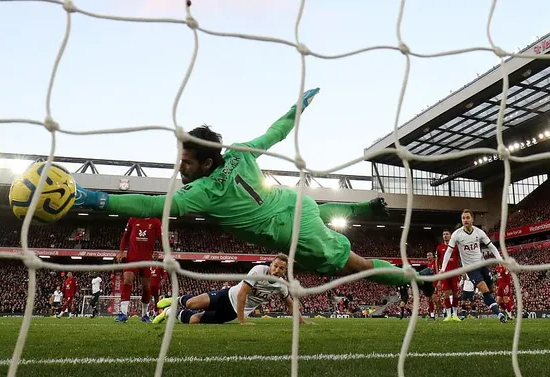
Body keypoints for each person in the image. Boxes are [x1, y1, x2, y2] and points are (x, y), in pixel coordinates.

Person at [72, 88, 434, 295]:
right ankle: (366, 211)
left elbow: (150, 204)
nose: (180, 166)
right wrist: (297, 109)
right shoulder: (240, 152)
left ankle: (416, 280)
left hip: (291, 232)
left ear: (206, 164)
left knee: (359, 266)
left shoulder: (200, 194)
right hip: (295, 204)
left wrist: (97, 199)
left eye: (186, 161)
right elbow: (275, 133)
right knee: (319, 216)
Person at [152, 254, 311, 325]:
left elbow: (290, 304)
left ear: (285, 272)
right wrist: (242, 322)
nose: (277, 270)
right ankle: (175, 300)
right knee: (192, 304)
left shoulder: (281, 285)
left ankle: (169, 312)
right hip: (227, 296)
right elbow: (242, 294)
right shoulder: (258, 271)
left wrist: (302, 322)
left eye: (281, 268)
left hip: (232, 312)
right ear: (271, 265)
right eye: (275, 266)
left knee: (195, 320)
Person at [440, 209, 506, 323]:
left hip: (482, 264)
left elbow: (491, 246)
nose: (465, 220)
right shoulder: (457, 234)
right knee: (485, 289)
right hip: (470, 269)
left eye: (467, 218)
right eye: (463, 218)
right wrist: (443, 268)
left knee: (491, 289)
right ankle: (499, 314)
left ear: (472, 219)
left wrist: (500, 260)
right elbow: (448, 252)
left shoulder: (479, 232)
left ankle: (488, 300)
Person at [115, 217, 162, 323]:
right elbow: (125, 236)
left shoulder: (156, 222)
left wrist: (162, 252)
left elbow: (161, 239)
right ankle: (123, 313)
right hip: (132, 257)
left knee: (146, 287)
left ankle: (144, 315)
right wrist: (121, 251)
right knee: (127, 280)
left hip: (147, 259)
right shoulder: (132, 219)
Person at [435, 229, 461, 321]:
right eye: (443, 234)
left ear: (451, 236)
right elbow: (437, 260)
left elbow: (460, 258)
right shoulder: (439, 247)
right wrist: (438, 272)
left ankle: (455, 314)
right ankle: (448, 315)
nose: (445, 236)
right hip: (444, 273)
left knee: (455, 293)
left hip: (454, 273)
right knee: (446, 294)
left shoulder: (456, 247)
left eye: (447, 234)